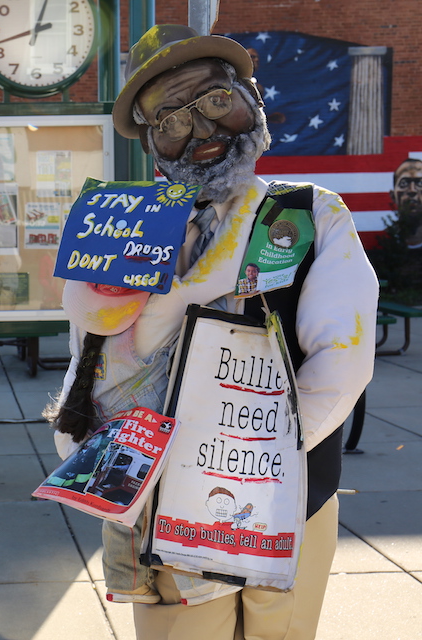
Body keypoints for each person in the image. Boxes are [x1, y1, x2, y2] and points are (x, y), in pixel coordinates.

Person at [48, 24, 377, 639]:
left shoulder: (309, 213)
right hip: (158, 518)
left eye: (215, 102)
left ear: (249, 99)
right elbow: (87, 355)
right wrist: (90, 454)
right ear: (151, 140)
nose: (200, 132)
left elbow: (343, 356)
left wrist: (255, 461)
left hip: (286, 505)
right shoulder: (125, 224)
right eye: (170, 119)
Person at [390, 157, 422, 248]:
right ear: (393, 196)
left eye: (420, 183)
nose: (412, 190)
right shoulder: (385, 239)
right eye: (404, 183)